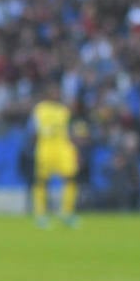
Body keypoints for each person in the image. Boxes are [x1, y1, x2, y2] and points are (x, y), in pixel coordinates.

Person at [30, 81, 79, 228]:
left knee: (70, 178)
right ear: (47, 94)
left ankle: (67, 213)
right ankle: (40, 214)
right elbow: (34, 130)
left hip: (63, 148)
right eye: (53, 92)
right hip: (45, 148)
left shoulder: (64, 110)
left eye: (57, 92)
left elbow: (69, 129)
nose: (56, 94)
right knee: (41, 181)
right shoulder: (40, 109)